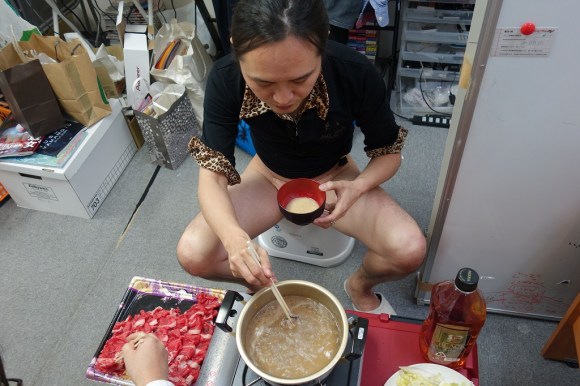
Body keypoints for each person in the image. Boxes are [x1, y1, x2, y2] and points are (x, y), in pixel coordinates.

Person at [177, 0, 426, 314]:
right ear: (235, 50)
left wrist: (359, 186)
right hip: (267, 175)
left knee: (409, 250)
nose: (283, 99)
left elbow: (389, 154)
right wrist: (233, 239)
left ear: (323, 46)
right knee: (193, 253)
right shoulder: (226, 78)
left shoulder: (355, 73)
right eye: (263, 83)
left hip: (333, 178)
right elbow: (211, 178)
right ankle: (259, 285)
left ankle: (360, 285)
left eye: (299, 80)